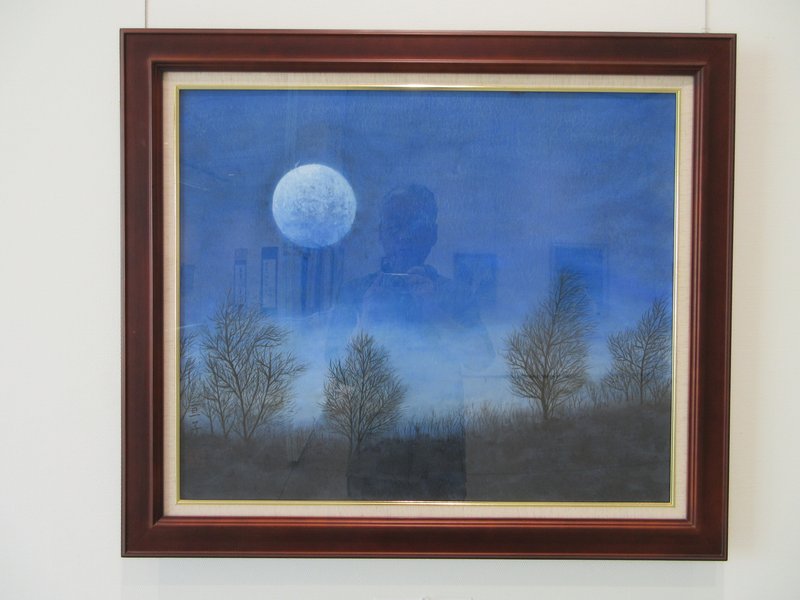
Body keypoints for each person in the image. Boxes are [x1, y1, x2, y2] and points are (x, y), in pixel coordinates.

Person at [327, 184, 493, 500]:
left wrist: (436, 312)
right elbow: (337, 374)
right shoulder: (356, 295)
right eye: (395, 226)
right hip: (374, 453)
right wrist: (366, 320)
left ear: (432, 235)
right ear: (381, 233)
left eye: (415, 228)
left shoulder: (454, 295)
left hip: (438, 455)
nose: (403, 237)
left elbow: (481, 359)